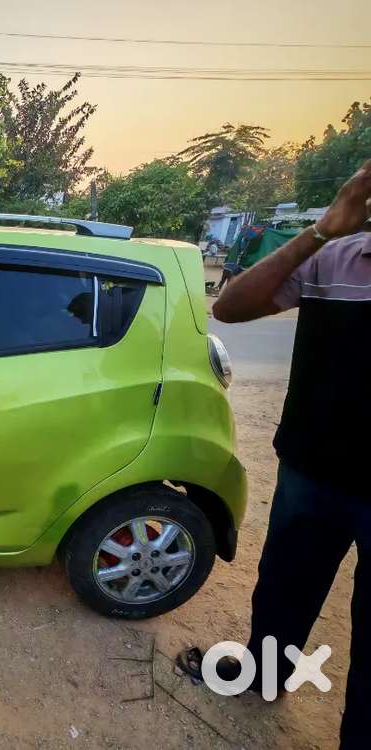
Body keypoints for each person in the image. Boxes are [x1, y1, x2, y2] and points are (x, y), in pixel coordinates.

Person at [183, 159, 371, 749]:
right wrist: (321, 231)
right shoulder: (337, 257)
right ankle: (264, 676)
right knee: (284, 587)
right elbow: (231, 306)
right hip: (313, 470)